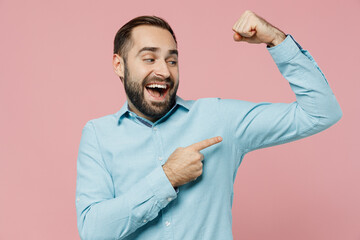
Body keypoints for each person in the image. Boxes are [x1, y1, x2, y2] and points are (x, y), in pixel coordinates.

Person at [76, 10, 342, 240]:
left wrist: (276, 39)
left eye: (172, 60)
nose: (165, 71)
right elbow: (93, 230)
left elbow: (321, 112)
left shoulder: (219, 118)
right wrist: (167, 178)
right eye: (149, 59)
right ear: (118, 65)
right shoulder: (99, 135)